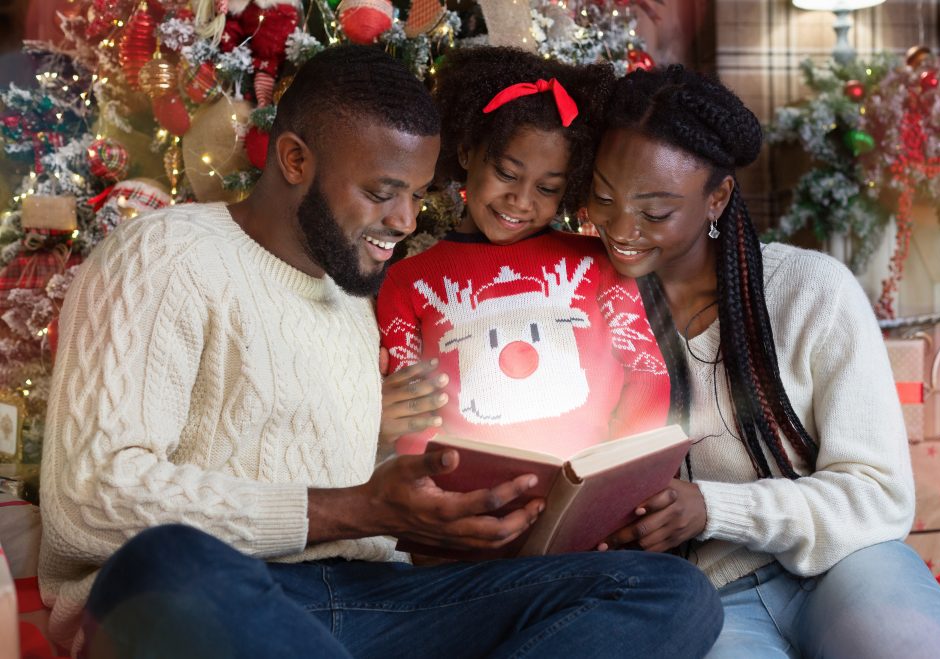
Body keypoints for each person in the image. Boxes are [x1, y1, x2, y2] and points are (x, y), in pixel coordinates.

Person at [38, 46, 724, 658]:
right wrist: (353, 508)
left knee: (668, 591)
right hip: (220, 594)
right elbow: (91, 500)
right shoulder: (165, 254)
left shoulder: (354, 297)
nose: (404, 220)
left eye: (418, 194)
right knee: (169, 563)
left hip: (372, 601)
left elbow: (368, 490)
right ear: (296, 159)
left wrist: (448, 506)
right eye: (382, 191)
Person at [588, 65, 940, 658]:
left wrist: (713, 508)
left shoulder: (811, 292)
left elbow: (879, 496)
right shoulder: (582, 303)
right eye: (605, 198)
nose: (620, 229)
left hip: (846, 567)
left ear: (717, 198)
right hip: (704, 597)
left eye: (654, 211)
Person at [376, 46, 670, 457]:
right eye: (506, 173)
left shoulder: (596, 265)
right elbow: (411, 413)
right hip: (461, 507)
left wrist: (611, 478)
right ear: (466, 153)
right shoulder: (407, 284)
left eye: (547, 188)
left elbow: (647, 374)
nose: (520, 200)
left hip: (586, 501)